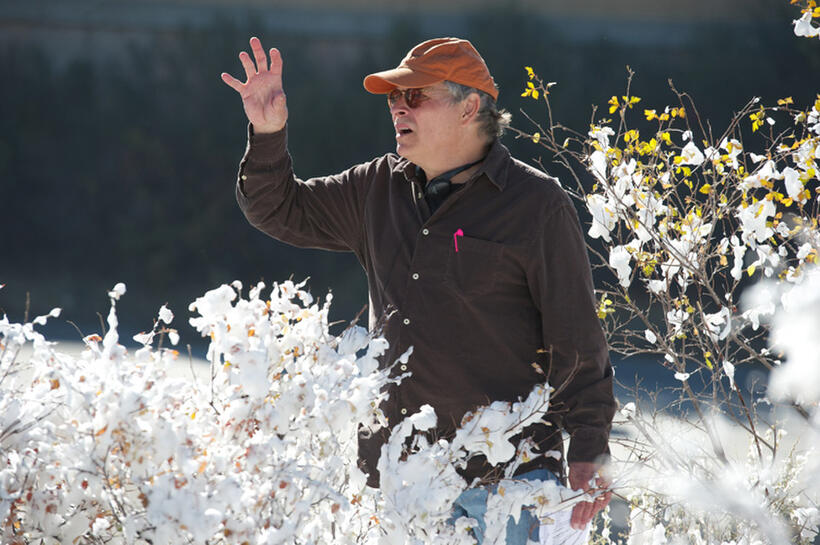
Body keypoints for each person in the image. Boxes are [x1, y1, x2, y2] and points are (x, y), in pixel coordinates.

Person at [221, 36, 616, 541]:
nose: (398, 109)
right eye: (393, 98)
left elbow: (577, 342)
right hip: (396, 487)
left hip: (505, 492)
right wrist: (267, 132)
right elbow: (278, 209)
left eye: (416, 96)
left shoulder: (537, 206)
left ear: (470, 106)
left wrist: (589, 448)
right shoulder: (375, 188)